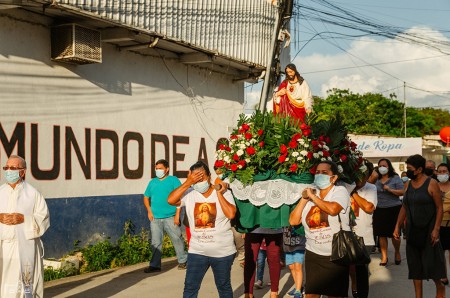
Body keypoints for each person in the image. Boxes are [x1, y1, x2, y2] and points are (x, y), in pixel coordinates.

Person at [167, 161, 236, 298]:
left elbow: (231, 214)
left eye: (201, 177)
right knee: (190, 287)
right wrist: (188, 183)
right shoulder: (190, 194)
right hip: (197, 251)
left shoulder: (224, 192)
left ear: (209, 176)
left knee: (223, 286)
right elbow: (170, 200)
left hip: (222, 252)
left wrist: (220, 194)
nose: (199, 181)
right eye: (195, 178)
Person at [289, 160, 351, 298]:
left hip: (336, 252)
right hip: (313, 253)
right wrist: (304, 199)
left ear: (334, 178)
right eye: (317, 172)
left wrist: (313, 197)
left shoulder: (340, 191)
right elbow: (293, 220)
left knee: (336, 294)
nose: (319, 175)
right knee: (311, 294)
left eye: (324, 172)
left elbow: (333, 209)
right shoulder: (312, 193)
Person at [394, 154, 446, 298]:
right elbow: (404, 206)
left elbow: (439, 208)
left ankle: (440, 291)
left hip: (429, 232)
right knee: (415, 269)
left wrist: (436, 229)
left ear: (419, 169)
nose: (408, 171)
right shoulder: (408, 184)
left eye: (410, 169)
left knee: (434, 268)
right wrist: (397, 226)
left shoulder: (431, 183)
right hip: (412, 232)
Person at [0, 155, 50, 298]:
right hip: (3, 248)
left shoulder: (33, 194)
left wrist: (24, 219)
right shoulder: (0, 192)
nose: (9, 171)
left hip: (23, 249)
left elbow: (44, 218)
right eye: (6, 168)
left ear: (23, 171)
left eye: (13, 168)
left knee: (23, 287)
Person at [143, 159, 187, 272]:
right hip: (155, 218)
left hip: (170, 217)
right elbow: (146, 197)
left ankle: (183, 261)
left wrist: (178, 215)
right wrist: (149, 211)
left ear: (167, 169)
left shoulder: (173, 180)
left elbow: (180, 198)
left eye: (160, 168)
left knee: (177, 239)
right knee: (156, 242)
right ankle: (155, 265)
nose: (158, 171)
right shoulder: (152, 182)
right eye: (156, 168)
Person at [349, 161, 377, 298]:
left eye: (364, 176)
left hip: (363, 237)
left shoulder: (371, 188)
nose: (360, 179)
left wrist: (353, 193)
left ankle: (361, 294)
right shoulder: (344, 187)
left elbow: (368, 207)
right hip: (346, 234)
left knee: (361, 271)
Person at [373, 158, 404, 266]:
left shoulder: (395, 178)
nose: (382, 167)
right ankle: (384, 256)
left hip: (394, 208)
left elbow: (402, 191)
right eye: (380, 165)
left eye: (384, 165)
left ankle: (397, 252)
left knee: (395, 234)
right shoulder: (375, 178)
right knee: (381, 234)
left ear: (389, 166)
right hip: (379, 209)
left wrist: (390, 190)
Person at [243, 227, 283, 298]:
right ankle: (249, 293)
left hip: (268, 227)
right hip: (256, 226)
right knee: (250, 260)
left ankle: (274, 293)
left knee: (273, 260)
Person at [436, 163, 450, 285]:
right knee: (441, 252)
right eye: (439, 171)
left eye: (444, 171)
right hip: (438, 224)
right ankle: (444, 276)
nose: (442, 174)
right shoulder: (434, 187)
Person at [283, 225, 306, 298]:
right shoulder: (284, 217)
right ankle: (297, 287)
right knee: (291, 267)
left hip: (299, 246)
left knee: (297, 267)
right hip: (288, 247)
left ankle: (298, 291)